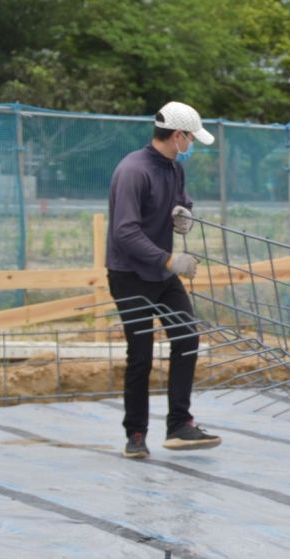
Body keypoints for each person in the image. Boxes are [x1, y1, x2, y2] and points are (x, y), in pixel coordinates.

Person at [106, 101, 222, 459]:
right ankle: (136, 434)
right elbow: (125, 232)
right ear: (177, 135)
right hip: (130, 275)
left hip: (161, 272)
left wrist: (184, 214)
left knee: (187, 336)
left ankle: (178, 425)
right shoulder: (133, 171)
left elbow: (179, 203)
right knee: (140, 354)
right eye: (190, 139)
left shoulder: (173, 169)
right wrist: (170, 259)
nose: (192, 147)